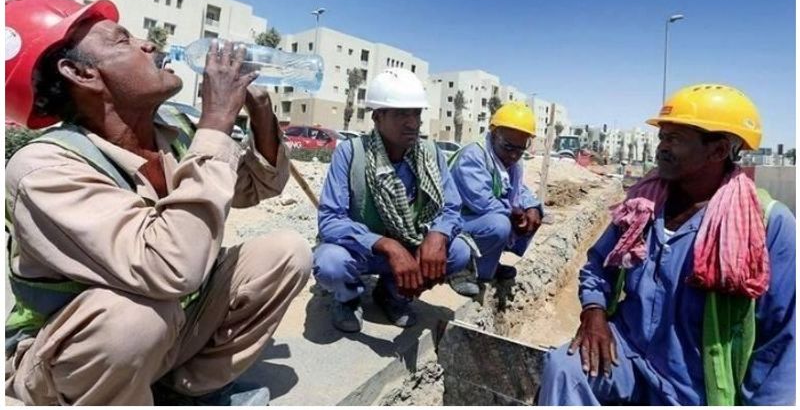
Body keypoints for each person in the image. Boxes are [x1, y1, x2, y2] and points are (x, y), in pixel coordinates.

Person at [4, 0, 312, 405]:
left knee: (285, 252)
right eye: (122, 41)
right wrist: (217, 122)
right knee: (135, 320)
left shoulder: (173, 132)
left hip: (169, 329)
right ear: (81, 73)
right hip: (75, 361)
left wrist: (258, 115)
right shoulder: (45, 168)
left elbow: (255, 189)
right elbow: (170, 268)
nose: (148, 44)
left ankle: (183, 391)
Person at [538, 84, 795, 405]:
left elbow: (784, 341)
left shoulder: (767, 224)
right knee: (564, 369)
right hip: (628, 355)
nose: (661, 148)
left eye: (675, 139)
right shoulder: (643, 204)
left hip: (693, 385)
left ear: (717, 150)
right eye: (662, 137)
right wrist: (594, 310)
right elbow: (598, 266)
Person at [313, 68, 473, 333]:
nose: (412, 123)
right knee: (330, 264)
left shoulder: (431, 154)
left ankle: (393, 294)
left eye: (416, 113)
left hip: (412, 247)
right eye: (401, 114)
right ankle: (348, 298)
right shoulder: (351, 154)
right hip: (363, 251)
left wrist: (438, 234)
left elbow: (451, 207)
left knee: (458, 252)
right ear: (377, 117)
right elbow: (330, 221)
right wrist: (385, 244)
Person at [448, 101, 543, 293]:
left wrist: (532, 207)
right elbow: (483, 202)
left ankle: (486, 269)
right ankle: (460, 268)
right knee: (499, 224)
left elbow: (518, 189)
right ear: (494, 133)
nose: (515, 155)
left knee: (531, 214)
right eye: (509, 147)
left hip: (473, 220)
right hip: (453, 221)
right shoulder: (474, 156)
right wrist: (515, 214)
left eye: (520, 149)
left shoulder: (509, 162)